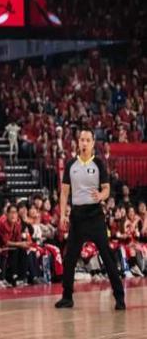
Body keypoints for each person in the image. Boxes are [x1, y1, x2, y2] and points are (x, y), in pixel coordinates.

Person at [55, 127, 125, 310]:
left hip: (95, 216)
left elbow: (107, 189)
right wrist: (62, 215)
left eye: (87, 140)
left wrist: (101, 195)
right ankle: (67, 297)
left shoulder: (99, 164)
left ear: (93, 143)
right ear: (78, 142)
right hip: (77, 217)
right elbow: (64, 193)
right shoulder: (71, 165)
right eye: (82, 140)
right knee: (70, 257)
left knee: (107, 257)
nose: (84, 143)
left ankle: (120, 297)